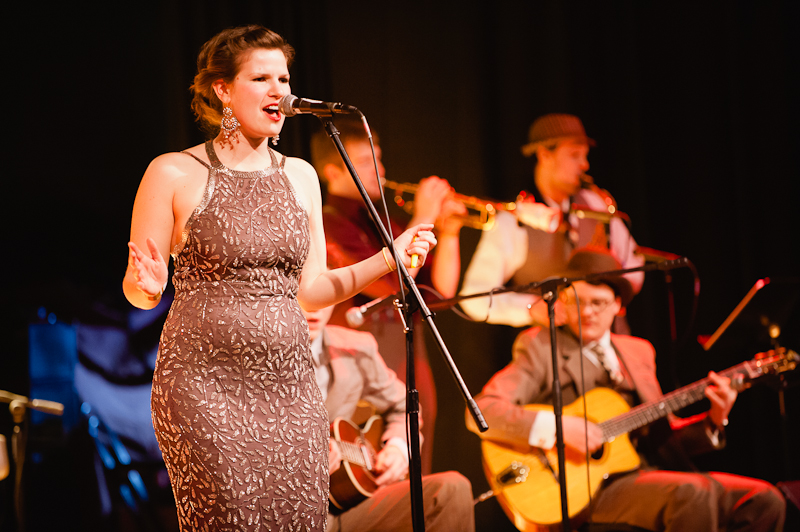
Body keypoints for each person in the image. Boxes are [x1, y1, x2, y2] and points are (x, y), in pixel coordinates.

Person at [122, 25, 437, 532]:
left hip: (291, 388)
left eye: (284, 78)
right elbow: (137, 290)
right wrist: (150, 285)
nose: (279, 91)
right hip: (205, 387)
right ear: (221, 89)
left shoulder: (300, 175)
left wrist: (389, 260)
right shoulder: (174, 173)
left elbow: (311, 290)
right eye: (261, 78)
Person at [466, 247, 786, 531]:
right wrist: (560, 427)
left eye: (598, 303)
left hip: (654, 474)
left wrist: (715, 418)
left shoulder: (639, 351)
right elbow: (481, 410)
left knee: (764, 499)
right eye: (578, 300)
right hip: (591, 488)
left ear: (618, 305)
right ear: (562, 301)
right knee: (693, 493)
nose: (588, 311)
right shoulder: (539, 346)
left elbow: (665, 436)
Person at [310, 118, 465, 474]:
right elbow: (390, 284)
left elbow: (436, 294)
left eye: (378, 159)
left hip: (411, 361)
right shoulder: (327, 225)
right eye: (365, 162)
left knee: (417, 475)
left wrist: (451, 232)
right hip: (364, 366)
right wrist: (425, 216)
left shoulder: (388, 225)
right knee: (369, 475)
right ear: (333, 172)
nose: (379, 170)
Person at [459, 113, 644, 328]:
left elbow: (635, 264)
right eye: (575, 155)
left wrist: (609, 297)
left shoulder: (595, 204)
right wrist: (530, 308)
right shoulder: (514, 221)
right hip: (551, 352)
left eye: (585, 156)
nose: (585, 165)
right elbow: (475, 298)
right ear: (545, 154)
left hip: (611, 341)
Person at [302, 304, 475, 531]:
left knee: (452, 489)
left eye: (326, 296)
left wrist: (398, 449)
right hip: (280, 505)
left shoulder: (354, 347)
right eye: (305, 295)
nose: (316, 308)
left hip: (344, 504)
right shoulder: (247, 353)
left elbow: (403, 405)